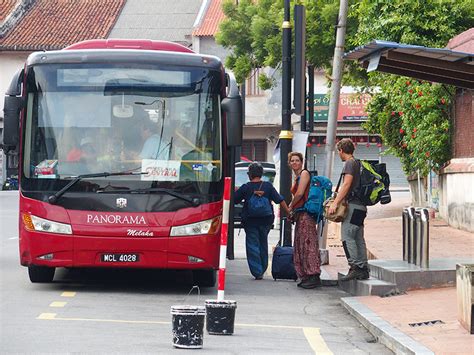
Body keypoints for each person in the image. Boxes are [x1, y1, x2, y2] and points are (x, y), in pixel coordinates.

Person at [234, 162, 290, 280]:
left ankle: (257, 271)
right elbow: (280, 200)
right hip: (266, 220)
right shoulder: (268, 186)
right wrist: (289, 213)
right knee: (263, 242)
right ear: (261, 174)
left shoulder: (246, 187)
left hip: (250, 221)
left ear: (249, 174)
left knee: (252, 244)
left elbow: (234, 199)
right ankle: (263, 267)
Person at [328, 138, 369, 281]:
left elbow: (346, 185)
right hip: (361, 207)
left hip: (353, 206)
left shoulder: (349, 164)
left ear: (340, 150)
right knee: (358, 237)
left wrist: (335, 203)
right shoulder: (358, 163)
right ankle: (363, 268)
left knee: (347, 237)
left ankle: (355, 267)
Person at [288, 152, 322, 289]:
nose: (295, 163)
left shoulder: (304, 174)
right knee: (301, 244)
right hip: (300, 215)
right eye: (292, 161)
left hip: (306, 214)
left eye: (297, 160)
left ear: (302, 162)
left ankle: (313, 274)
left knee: (308, 244)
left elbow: (300, 193)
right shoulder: (297, 176)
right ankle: (306, 274)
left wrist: (290, 205)